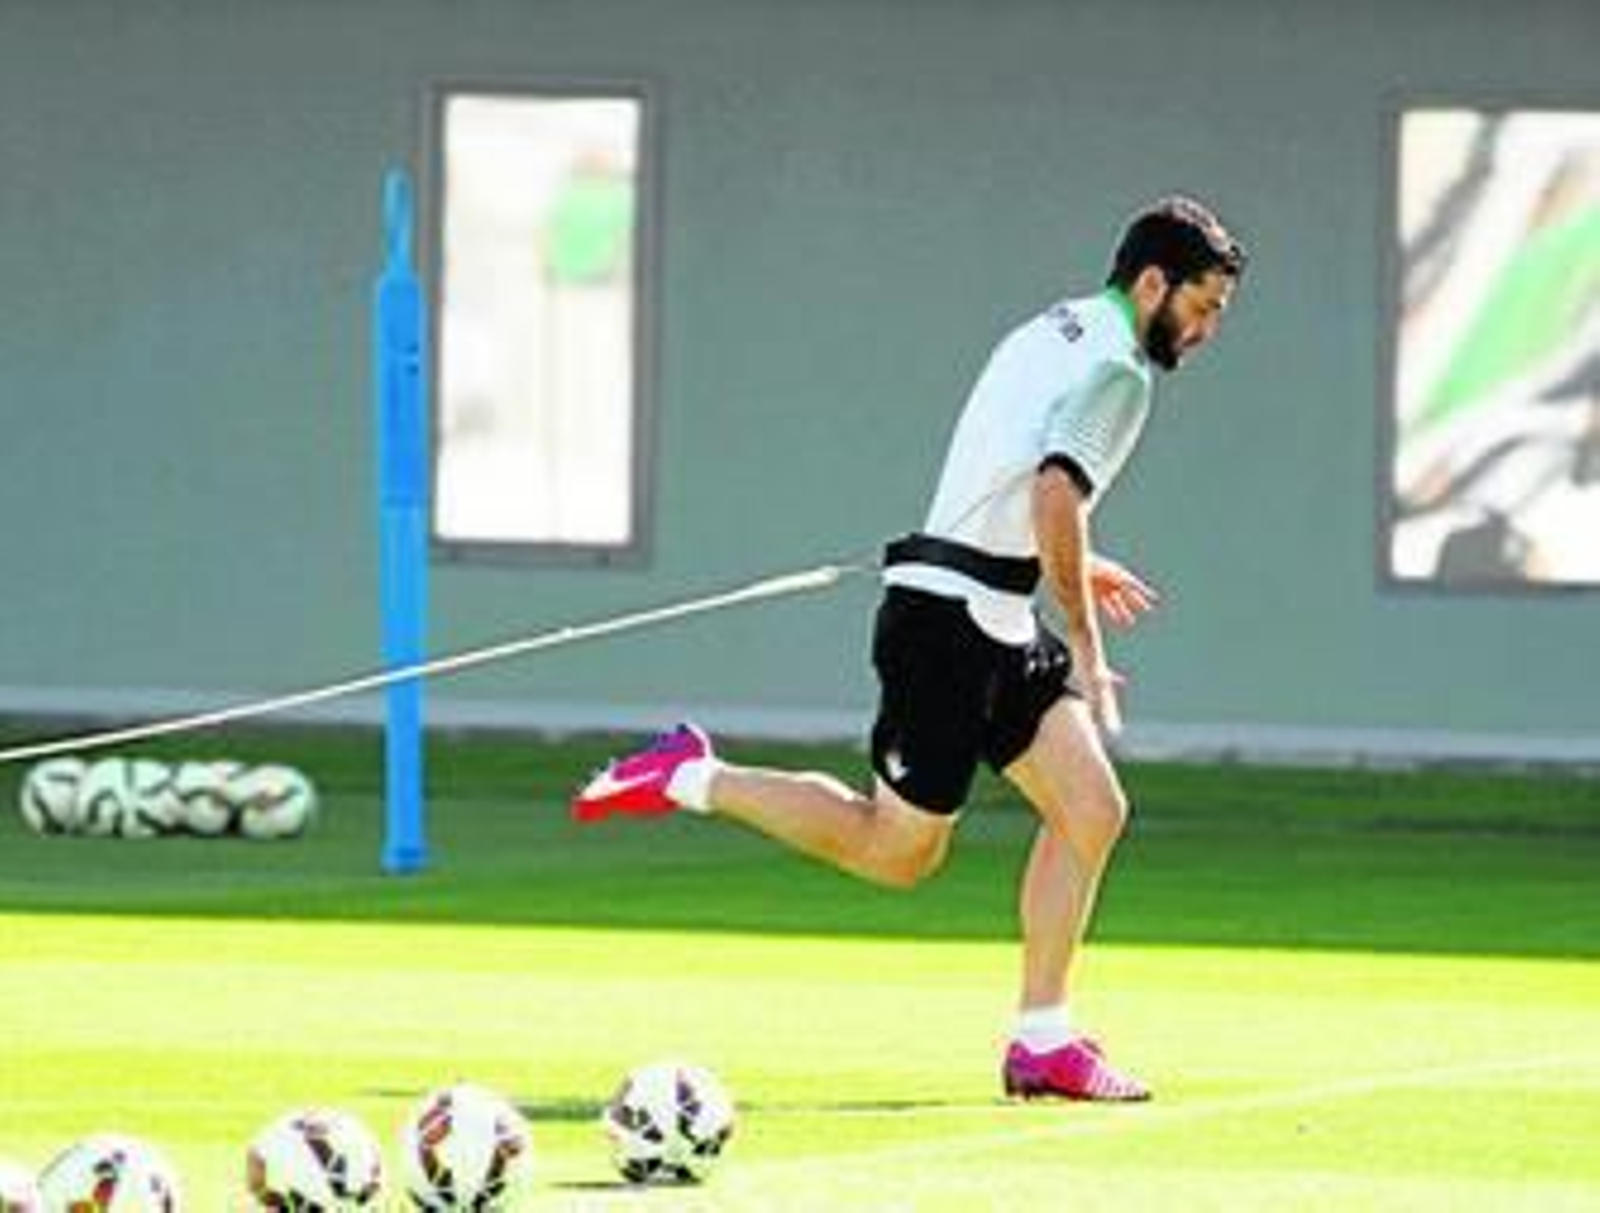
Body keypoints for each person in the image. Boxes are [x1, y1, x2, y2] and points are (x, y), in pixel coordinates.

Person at [572, 196, 1247, 1102]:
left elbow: (1021, 480)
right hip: (948, 626)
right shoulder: (1123, 372)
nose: (1205, 331)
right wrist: (1086, 642)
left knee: (1091, 806)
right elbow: (1053, 496)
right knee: (898, 851)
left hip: (995, 614)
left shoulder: (1055, 329)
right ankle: (693, 773)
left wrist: (1084, 558)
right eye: (1202, 307)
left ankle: (1042, 1041)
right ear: (1154, 282)